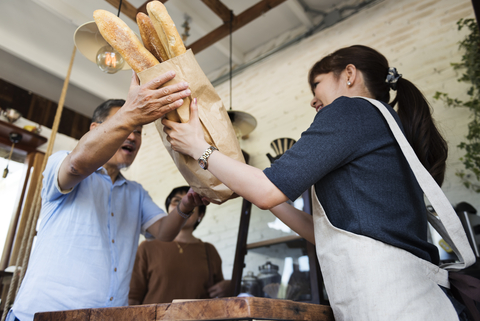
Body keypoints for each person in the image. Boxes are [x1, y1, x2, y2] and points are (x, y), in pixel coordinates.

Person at [162, 45, 472, 320]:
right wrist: (251, 186)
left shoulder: (351, 110)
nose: (313, 100)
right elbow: (321, 233)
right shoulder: (388, 127)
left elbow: (267, 190)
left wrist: (197, 147)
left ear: (349, 74)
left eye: (317, 85)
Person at [7, 71, 208, 321]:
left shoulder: (135, 192)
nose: (133, 136)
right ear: (95, 129)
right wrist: (132, 111)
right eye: (126, 127)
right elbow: (76, 166)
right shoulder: (61, 161)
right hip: (42, 315)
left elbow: (164, 234)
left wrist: (186, 205)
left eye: (139, 131)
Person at [129, 186, 231, 305]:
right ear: (168, 210)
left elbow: (219, 294)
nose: (183, 205)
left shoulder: (209, 250)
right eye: (176, 201)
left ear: (200, 215)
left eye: (192, 202)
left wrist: (230, 285)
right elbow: (133, 297)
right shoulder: (147, 247)